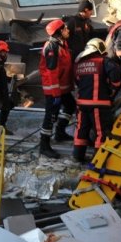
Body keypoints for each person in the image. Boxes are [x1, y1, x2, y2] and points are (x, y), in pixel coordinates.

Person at [73, 38, 121, 163]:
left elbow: (78, 81)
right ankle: (98, 160)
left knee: (81, 130)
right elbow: (116, 77)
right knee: (101, 132)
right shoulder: (104, 61)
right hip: (99, 104)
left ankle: (78, 156)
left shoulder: (79, 63)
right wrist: (112, 89)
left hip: (81, 104)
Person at [38, 19, 76, 159]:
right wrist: (55, 94)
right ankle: (44, 145)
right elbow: (51, 72)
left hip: (62, 88)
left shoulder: (62, 44)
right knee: (50, 117)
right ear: (59, 32)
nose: (68, 30)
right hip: (54, 89)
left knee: (70, 105)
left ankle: (60, 132)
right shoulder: (52, 47)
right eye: (65, 28)